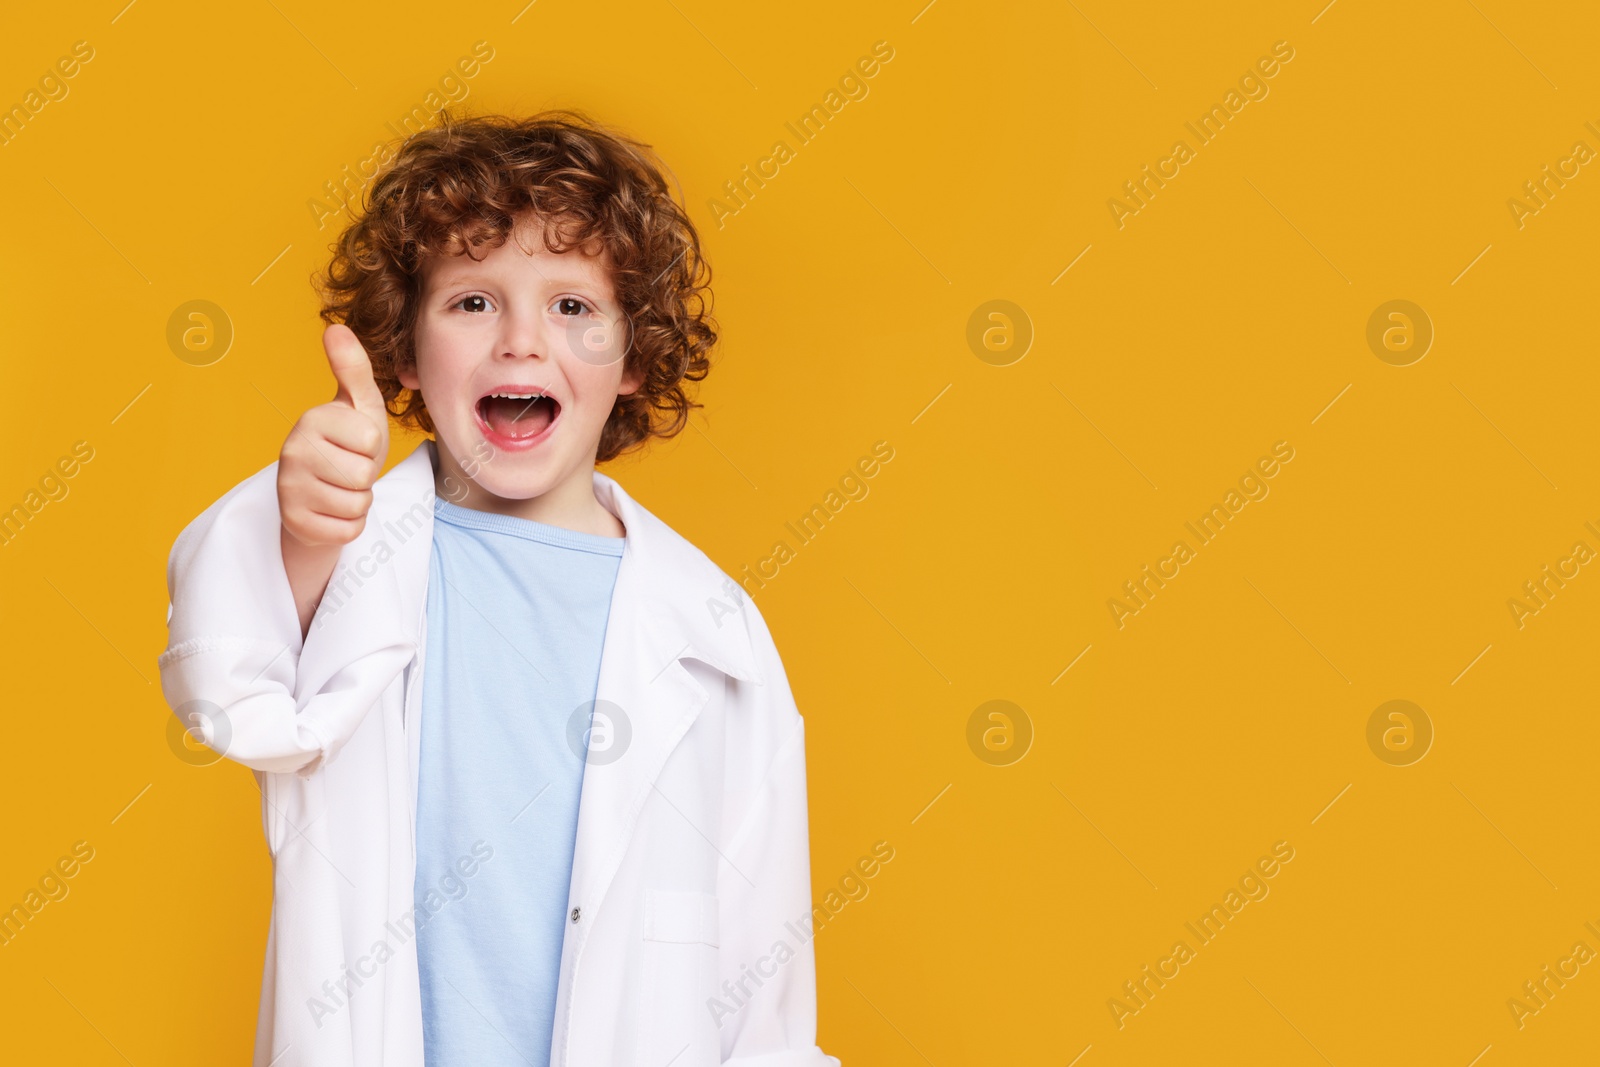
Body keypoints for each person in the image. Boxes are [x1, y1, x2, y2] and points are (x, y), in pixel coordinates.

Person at [157, 109, 839, 1067]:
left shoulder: (714, 634)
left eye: (573, 308)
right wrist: (300, 525)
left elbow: (764, 992)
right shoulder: (352, 555)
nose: (521, 343)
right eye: (472, 302)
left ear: (635, 358)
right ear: (403, 349)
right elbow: (232, 682)